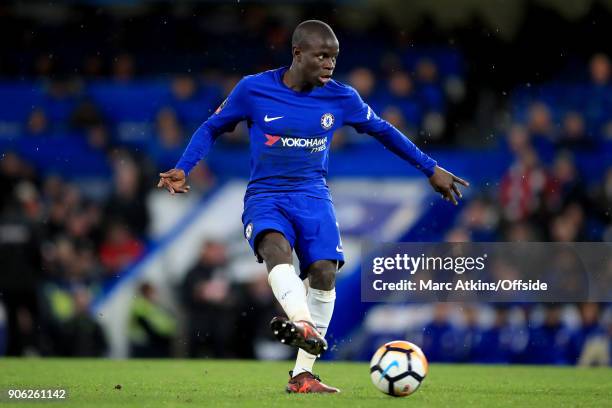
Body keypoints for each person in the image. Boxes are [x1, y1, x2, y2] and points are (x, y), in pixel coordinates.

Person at [158, 20, 468, 393]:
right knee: (275, 249)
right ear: (297, 54)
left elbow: (384, 130)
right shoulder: (253, 89)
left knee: (323, 272)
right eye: (322, 56)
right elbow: (211, 127)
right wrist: (183, 166)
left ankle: (303, 375)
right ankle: (303, 321)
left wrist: (430, 168)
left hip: (313, 196)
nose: (329, 64)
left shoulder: (342, 97)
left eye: (334, 57)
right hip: (266, 194)